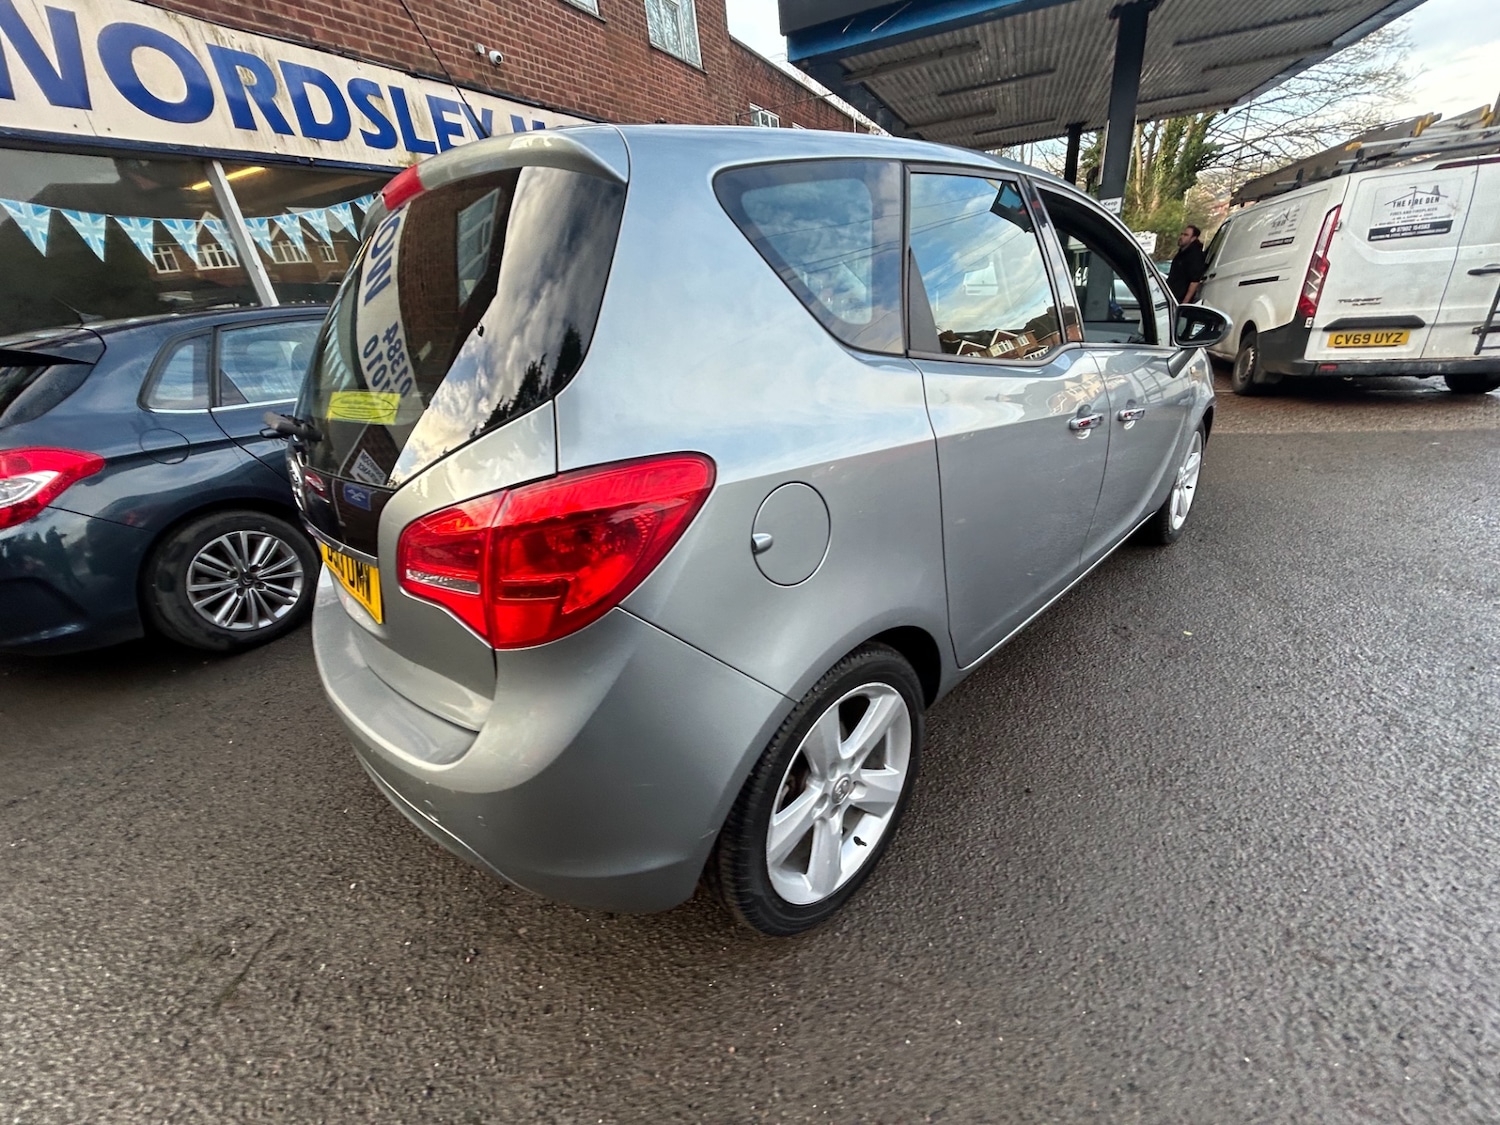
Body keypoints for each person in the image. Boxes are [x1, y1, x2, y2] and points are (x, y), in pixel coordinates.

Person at [1166, 225, 1208, 304]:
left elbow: (1195, 281)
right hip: (1172, 296)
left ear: (1193, 238)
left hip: (1179, 300)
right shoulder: (1181, 253)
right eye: (1182, 234)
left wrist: (1184, 303)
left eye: (1186, 235)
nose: (1182, 237)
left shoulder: (1195, 256)